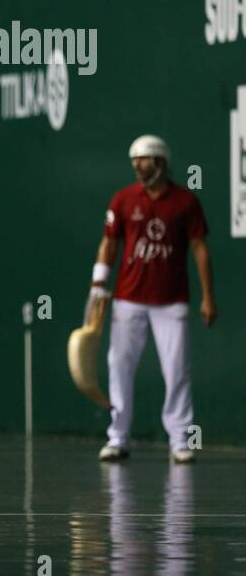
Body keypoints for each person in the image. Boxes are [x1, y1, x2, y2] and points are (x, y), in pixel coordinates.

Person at [90, 135, 216, 464]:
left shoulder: (186, 202)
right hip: (128, 299)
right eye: (134, 160)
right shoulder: (122, 200)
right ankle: (117, 438)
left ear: (160, 161)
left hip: (172, 301)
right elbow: (109, 243)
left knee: (176, 370)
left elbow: (200, 248)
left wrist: (208, 297)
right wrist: (98, 283)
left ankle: (180, 441)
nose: (138, 166)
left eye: (144, 160)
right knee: (119, 365)